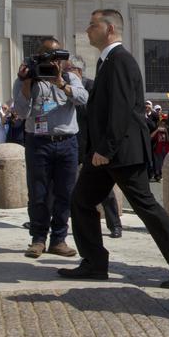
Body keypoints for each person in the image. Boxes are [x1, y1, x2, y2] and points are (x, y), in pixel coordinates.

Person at [58, 9, 169, 287]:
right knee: (82, 201)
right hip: (107, 153)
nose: (87, 30)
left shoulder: (120, 60)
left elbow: (121, 110)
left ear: (109, 29)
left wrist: (106, 149)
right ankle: (94, 263)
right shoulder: (107, 61)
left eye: (92, 24)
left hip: (120, 152)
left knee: (145, 206)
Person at [13, 36, 88, 259]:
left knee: (65, 193)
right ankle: (37, 239)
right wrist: (27, 83)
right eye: (48, 55)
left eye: (57, 56)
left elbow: (83, 99)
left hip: (66, 142)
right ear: (38, 56)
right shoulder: (27, 79)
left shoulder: (70, 77)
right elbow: (22, 112)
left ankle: (59, 240)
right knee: (38, 193)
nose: (53, 61)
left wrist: (61, 83)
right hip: (38, 142)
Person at [62, 55, 122, 238]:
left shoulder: (92, 87)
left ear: (78, 71)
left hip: (93, 145)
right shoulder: (63, 88)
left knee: (104, 188)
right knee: (61, 184)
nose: (64, 74)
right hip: (73, 143)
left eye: (67, 70)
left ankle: (115, 225)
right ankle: (53, 221)